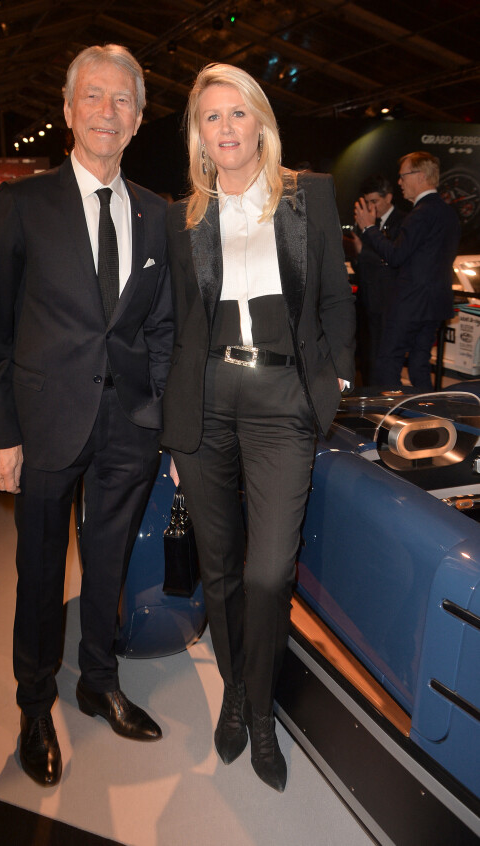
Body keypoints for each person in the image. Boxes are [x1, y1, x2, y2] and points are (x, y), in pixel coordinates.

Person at [0, 44, 173, 786]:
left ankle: (98, 681)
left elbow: (162, 329)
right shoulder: (22, 205)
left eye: (123, 100)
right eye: (93, 96)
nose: (107, 112)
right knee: (37, 572)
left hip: (131, 431)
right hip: (46, 425)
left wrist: (160, 418)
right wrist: (1, 435)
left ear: (141, 118)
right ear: (67, 110)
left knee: (110, 562)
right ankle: (34, 704)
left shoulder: (157, 214)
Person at [161, 64, 355, 792]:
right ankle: (237, 696)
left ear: (261, 123)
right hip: (206, 400)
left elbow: (337, 299)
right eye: (212, 117)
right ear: (199, 135)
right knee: (220, 567)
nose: (227, 128)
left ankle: (264, 709)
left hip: (282, 398)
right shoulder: (183, 217)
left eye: (238, 113)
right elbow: (173, 327)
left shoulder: (309, 198)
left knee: (268, 571)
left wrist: (329, 386)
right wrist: (175, 430)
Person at [354, 152, 461, 391]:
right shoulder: (448, 213)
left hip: (411, 303)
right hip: (435, 303)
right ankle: (429, 418)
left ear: (420, 176)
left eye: (403, 176)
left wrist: (369, 228)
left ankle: (392, 422)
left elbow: (395, 256)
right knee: (419, 365)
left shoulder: (420, 214)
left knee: (387, 364)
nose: (400, 182)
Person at [351, 174, 405, 383]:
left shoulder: (402, 221)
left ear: (389, 197)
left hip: (388, 301)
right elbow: (360, 261)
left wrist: (362, 250)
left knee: (384, 360)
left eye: (375, 202)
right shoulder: (363, 221)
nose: (371, 208)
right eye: (368, 202)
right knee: (366, 358)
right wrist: (357, 253)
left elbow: (393, 259)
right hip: (366, 299)